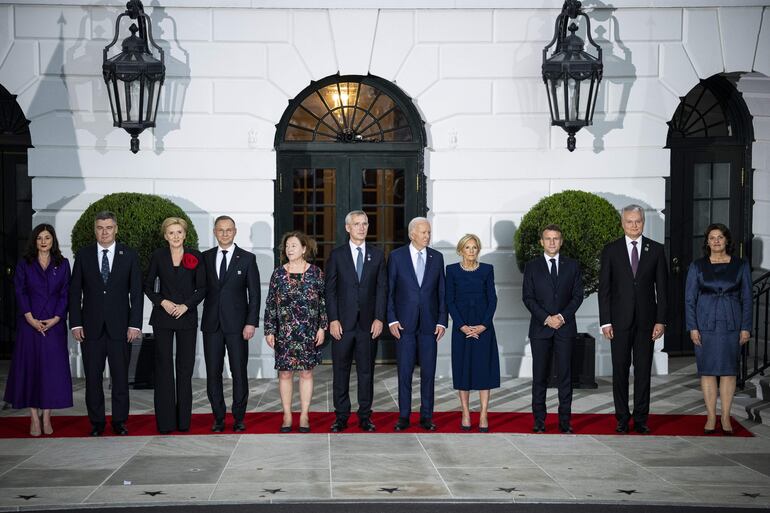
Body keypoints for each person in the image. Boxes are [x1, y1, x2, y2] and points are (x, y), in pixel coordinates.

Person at [69, 211, 143, 436]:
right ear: (95, 230)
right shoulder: (83, 255)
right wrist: (76, 323)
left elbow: (137, 294)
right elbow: (74, 292)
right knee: (93, 378)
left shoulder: (129, 255)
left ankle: (120, 422)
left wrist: (134, 325)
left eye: (109, 227)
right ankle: (97, 423)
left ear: (116, 229)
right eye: (100, 228)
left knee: (120, 378)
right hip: (90, 328)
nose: (104, 232)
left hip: (121, 328)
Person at [598, 204, 668, 434]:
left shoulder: (656, 250)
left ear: (643, 222)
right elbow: (604, 290)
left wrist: (661, 320)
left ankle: (640, 419)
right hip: (618, 323)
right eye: (629, 221)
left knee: (643, 371)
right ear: (622, 223)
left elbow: (663, 289)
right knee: (619, 371)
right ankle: (621, 418)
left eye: (638, 221)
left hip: (647, 323)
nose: (634, 225)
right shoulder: (611, 250)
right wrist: (605, 322)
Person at [4, 224, 72, 436]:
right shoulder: (25, 263)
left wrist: (56, 318)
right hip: (29, 325)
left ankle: (47, 417)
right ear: (34, 241)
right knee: (31, 370)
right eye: (40, 238)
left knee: (51, 372)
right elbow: (20, 290)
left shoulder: (62, 264)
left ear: (53, 241)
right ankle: (34, 418)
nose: (43, 241)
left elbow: (66, 293)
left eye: (47, 238)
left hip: (54, 325)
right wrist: (30, 318)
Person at [685, 223, 752, 435]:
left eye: (720, 237)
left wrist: (746, 327)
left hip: (732, 323)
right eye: (712, 238)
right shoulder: (697, 266)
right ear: (707, 242)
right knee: (707, 370)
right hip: (705, 324)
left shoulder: (741, 265)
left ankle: (725, 418)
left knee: (729, 371)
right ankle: (711, 417)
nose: (716, 241)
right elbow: (689, 299)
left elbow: (748, 299)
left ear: (726, 241)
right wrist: (692, 327)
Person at [325, 211, 387, 432]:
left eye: (365, 224)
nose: (362, 228)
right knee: (340, 371)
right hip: (342, 324)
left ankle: (364, 416)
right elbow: (329, 291)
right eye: (357, 224)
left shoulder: (377, 255)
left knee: (366, 372)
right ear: (347, 228)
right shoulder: (337, 255)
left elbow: (382, 289)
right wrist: (333, 319)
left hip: (368, 325)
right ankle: (341, 416)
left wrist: (379, 318)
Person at [144, 217, 206, 434]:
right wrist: (163, 301)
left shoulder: (195, 256)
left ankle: (183, 422)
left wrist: (186, 306)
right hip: (163, 316)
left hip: (186, 318)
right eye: (171, 233)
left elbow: (202, 288)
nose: (176, 236)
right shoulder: (158, 256)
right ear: (165, 236)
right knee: (163, 369)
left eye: (179, 232)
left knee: (184, 368)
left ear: (185, 234)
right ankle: (166, 422)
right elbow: (148, 286)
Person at [201, 215, 260, 433]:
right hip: (211, 325)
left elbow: (254, 295)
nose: (224, 234)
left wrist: (251, 323)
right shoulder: (205, 258)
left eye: (228, 230)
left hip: (237, 326)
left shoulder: (247, 259)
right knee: (213, 372)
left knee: (239, 372)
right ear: (215, 232)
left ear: (235, 232)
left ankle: (238, 417)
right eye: (220, 230)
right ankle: (218, 417)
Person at [387, 217, 447, 431]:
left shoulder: (437, 258)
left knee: (428, 373)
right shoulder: (396, 257)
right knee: (404, 372)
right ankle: (404, 416)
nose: (427, 236)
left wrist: (442, 321)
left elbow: (442, 292)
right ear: (412, 234)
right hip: (404, 325)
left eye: (429, 232)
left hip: (430, 325)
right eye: (423, 232)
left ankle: (426, 416)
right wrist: (392, 318)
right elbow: (390, 291)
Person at [522, 225, 584, 433]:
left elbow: (577, 296)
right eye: (547, 238)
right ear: (541, 241)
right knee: (539, 376)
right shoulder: (532, 266)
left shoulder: (572, 266)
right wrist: (546, 318)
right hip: (541, 329)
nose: (551, 242)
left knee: (565, 376)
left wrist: (561, 317)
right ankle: (539, 420)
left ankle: (565, 420)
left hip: (565, 328)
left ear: (561, 241)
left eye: (555, 238)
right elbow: (528, 298)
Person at [264, 231, 327, 433]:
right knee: (285, 374)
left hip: (308, 331)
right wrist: (269, 330)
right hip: (285, 332)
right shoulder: (278, 274)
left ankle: (305, 415)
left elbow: (323, 302)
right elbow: (270, 305)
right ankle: (287, 415)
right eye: (287, 246)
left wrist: (322, 327)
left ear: (304, 249)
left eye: (293, 245)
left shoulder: (316, 273)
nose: (289, 249)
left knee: (306, 373)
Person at [446, 233, 500, 433]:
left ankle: (484, 414)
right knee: (463, 370)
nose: (471, 251)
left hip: (483, 327)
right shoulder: (451, 270)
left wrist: (483, 325)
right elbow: (449, 300)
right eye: (467, 247)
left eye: (474, 247)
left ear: (478, 250)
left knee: (483, 370)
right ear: (460, 250)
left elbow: (492, 299)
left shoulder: (487, 270)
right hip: (462, 328)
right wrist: (462, 326)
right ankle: (466, 413)